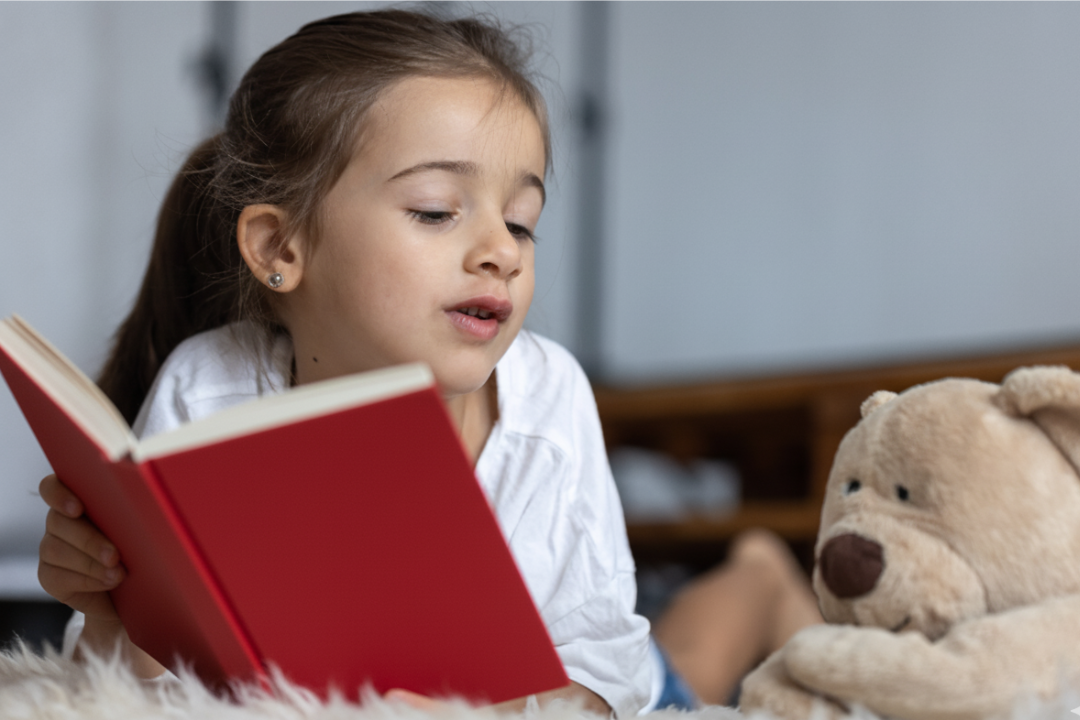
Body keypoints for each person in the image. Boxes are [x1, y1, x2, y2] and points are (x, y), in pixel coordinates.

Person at [33, 9, 820, 715]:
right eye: (438, 212)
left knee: (691, 666)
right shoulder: (208, 389)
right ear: (281, 247)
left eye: (522, 222)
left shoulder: (545, 398)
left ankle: (758, 578)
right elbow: (141, 690)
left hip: (596, 682)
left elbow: (604, 663)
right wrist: (111, 613)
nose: (500, 253)